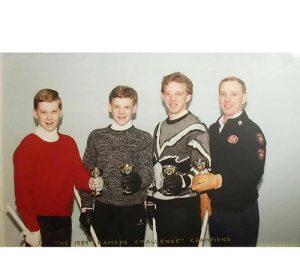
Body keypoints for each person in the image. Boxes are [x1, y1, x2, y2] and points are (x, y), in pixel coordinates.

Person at [13, 88, 102, 247]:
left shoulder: (68, 143)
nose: (49, 117)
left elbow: (78, 174)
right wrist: (33, 229)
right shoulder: (26, 146)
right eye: (43, 112)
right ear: (35, 113)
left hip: (63, 219)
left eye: (53, 111)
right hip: (38, 222)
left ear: (60, 112)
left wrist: (90, 182)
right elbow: (22, 194)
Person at [192, 76, 266, 246]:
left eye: (233, 94)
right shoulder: (213, 129)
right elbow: (205, 165)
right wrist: (204, 195)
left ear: (244, 98)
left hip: (240, 213)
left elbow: (253, 174)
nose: (227, 99)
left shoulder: (252, 132)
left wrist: (218, 180)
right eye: (223, 94)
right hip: (216, 211)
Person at [79, 85, 153, 247]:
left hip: (133, 208)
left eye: (126, 107)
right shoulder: (96, 136)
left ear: (134, 108)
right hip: (103, 208)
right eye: (117, 106)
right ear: (109, 107)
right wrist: (86, 207)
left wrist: (138, 180)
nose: (121, 111)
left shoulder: (144, 138)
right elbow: (84, 173)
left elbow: (148, 172)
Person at [146, 72, 212, 247]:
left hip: (185, 207)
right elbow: (155, 165)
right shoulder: (159, 127)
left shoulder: (197, 127)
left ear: (188, 97)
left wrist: (182, 181)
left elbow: (203, 169)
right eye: (168, 93)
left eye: (178, 93)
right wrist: (151, 198)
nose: (172, 98)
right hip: (161, 206)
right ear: (162, 96)